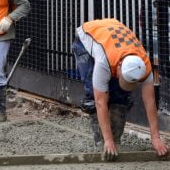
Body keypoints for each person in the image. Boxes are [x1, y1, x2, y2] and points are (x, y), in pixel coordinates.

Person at [71, 18, 168, 160]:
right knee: (93, 94)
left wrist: (156, 137)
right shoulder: (104, 62)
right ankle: (102, 141)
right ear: (119, 67)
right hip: (88, 35)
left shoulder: (144, 66)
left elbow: (150, 101)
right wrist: (108, 139)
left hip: (114, 35)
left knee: (121, 97)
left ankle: (115, 140)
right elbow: (100, 101)